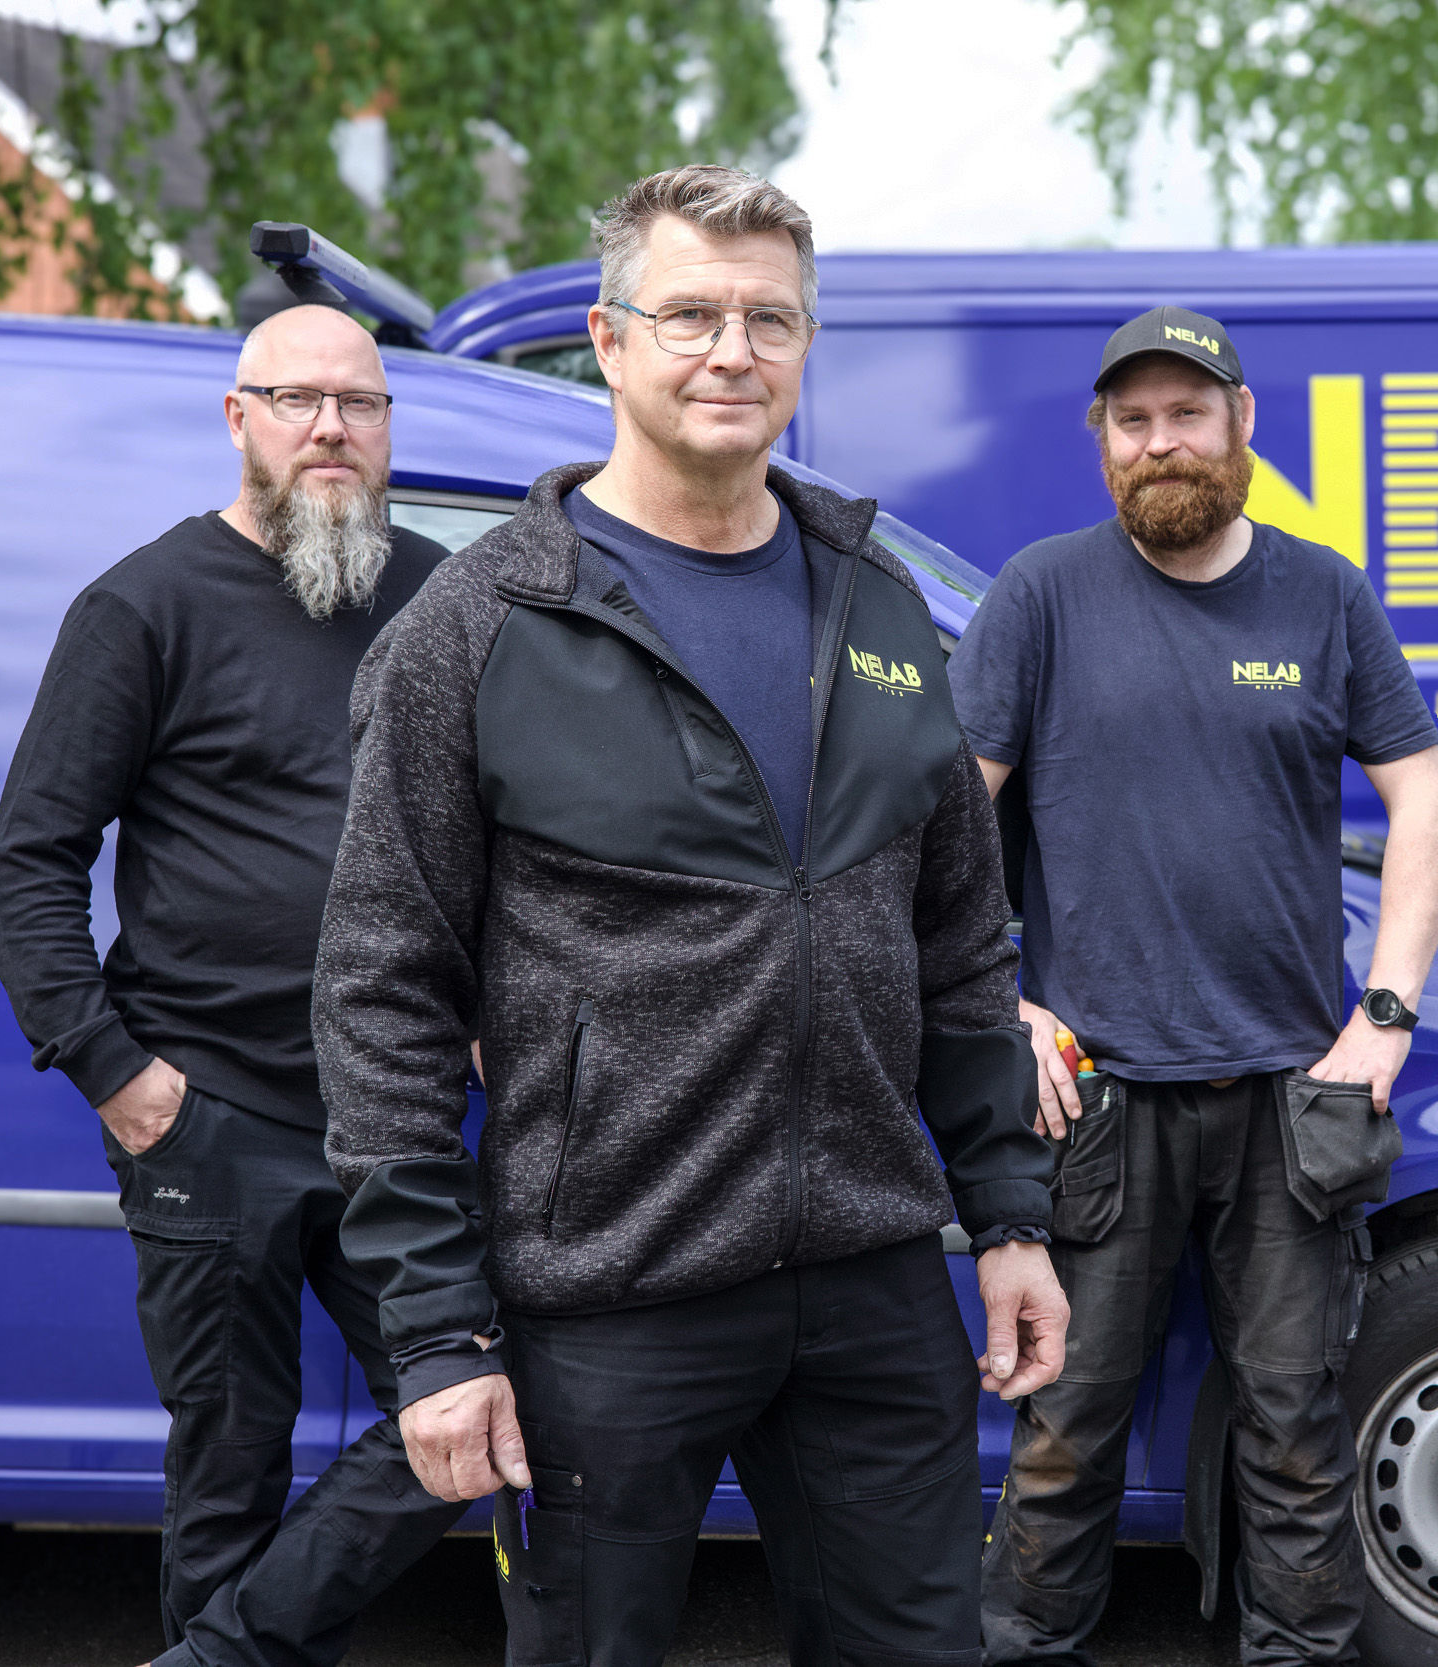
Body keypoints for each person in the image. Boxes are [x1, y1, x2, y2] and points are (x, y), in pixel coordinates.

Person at [309, 164, 1066, 1667]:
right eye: (691, 315)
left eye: (770, 319)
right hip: (609, 1293)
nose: (734, 350)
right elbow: (383, 986)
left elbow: (957, 940)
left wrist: (1010, 1215)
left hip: (868, 1275)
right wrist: (439, 1329)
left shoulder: (875, 601)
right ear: (608, 340)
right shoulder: (481, 625)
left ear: (804, 346)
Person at [956, 305, 1438, 1667]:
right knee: (1065, 1429)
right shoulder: (1041, 596)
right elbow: (940, 829)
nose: (1160, 442)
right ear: (1100, 440)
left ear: (1242, 424)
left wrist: (1386, 1011)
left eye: (1187, 413)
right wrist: (1001, 999)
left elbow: (1425, 801)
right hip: (1096, 1099)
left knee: (1293, 1428)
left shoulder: (1325, 594)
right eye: (1132, 420)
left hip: (1291, 1097)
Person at [0, 305, 457, 1667]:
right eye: (298, 400)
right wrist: (121, 1078)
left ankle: (220, 1656)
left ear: (387, 427)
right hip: (209, 1110)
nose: (331, 428)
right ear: (239, 416)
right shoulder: (144, 604)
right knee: (230, 1462)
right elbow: (32, 861)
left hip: (395, 1110)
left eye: (359, 404)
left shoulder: (438, 597)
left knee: (472, 1405)